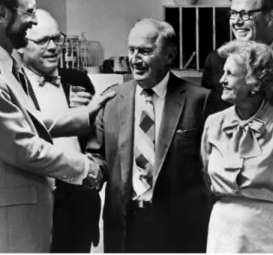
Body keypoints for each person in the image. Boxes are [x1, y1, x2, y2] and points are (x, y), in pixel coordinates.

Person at [0, 0, 113, 253]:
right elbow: (22, 147)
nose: (34, 20)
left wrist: (84, 116)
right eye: (29, 12)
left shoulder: (2, 63)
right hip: (9, 226)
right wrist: (85, 168)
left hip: (26, 218)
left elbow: (27, 123)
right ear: (3, 15)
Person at [86, 18, 212, 253]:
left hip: (180, 228)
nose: (135, 59)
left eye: (144, 51)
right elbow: (97, 155)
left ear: (170, 55)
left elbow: (209, 170)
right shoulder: (111, 98)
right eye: (131, 50)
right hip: (124, 224)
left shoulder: (199, 101)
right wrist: (90, 171)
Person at [201, 40, 273, 253]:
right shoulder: (213, 123)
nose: (222, 80)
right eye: (223, 72)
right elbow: (205, 174)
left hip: (265, 231)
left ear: (255, 83)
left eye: (231, 74)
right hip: (221, 229)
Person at [18, 9, 101, 253]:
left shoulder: (77, 80)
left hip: (76, 202)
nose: (54, 47)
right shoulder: (11, 84)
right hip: (33, 199)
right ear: (21, 45)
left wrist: (88, 112)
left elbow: (96, 139)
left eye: (57, 38)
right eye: (43, 40)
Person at [201, 0, 273, 126]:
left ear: (271, 17)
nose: (236, 22)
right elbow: (209, 118)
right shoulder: (216, 60)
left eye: (245, 14)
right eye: (233, 14)